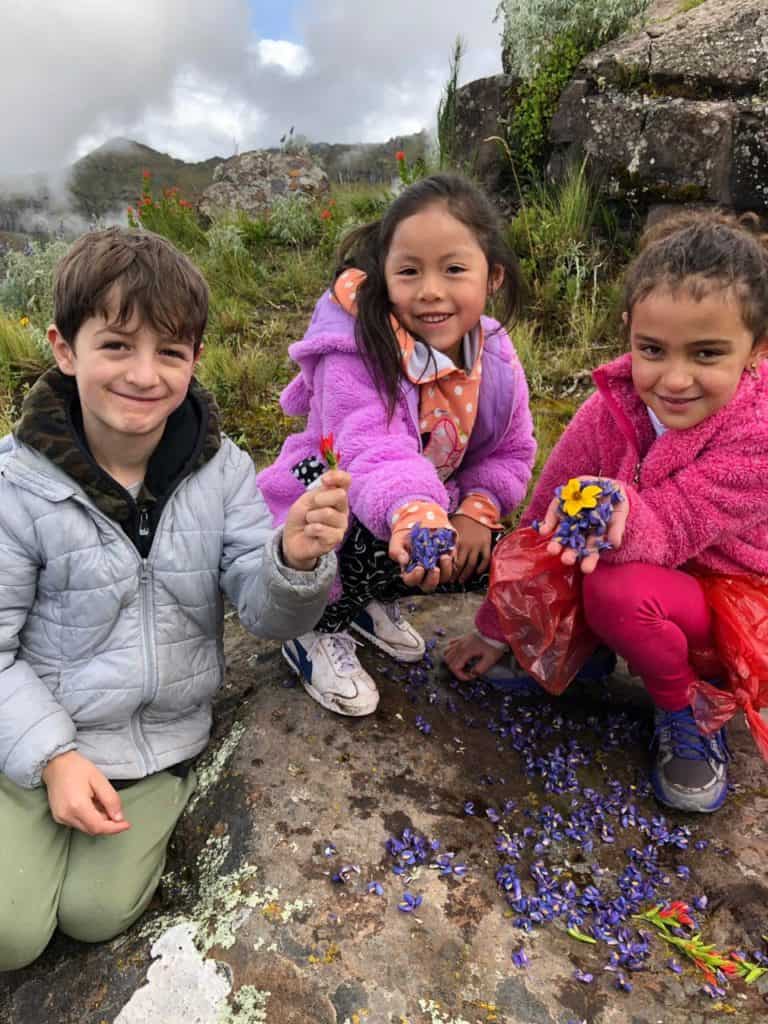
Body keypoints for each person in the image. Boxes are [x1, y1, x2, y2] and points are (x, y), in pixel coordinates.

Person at [0, 227, 350, 971]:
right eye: (118, 345)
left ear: (195, 358)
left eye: (171, 351)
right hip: (35, 743)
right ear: (65, 350)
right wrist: (53, 757)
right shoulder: (16, 486)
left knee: (94, 916)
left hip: (161, 749)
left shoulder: (221, 471)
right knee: (10, 933)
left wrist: (293, 557)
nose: (144, 374)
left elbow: (263, 611)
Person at [447, 211, 768, 814]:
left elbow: (674, 526)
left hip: (734, 607)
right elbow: (543, 510)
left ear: (757, 348)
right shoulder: (609, 409)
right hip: (647, 570)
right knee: (558, 535)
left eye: (706, 353)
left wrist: (617, 512)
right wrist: (497, 628)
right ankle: (586, 653)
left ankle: (689, 710)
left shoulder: (759, 431)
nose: (674, 379)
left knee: (615, 586)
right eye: (653, 349)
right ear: (629, 332)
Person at [258, 173, 536, 717]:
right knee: (350, 521)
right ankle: (316, 628)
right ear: (384, 278)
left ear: (492, 276)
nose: (431, 290)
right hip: (335, 479)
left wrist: (479, 509)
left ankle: (371, 603)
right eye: (409, 272)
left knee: (485, 550)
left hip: (418, 498)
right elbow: (369, 448)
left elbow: (510, 451)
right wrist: (414, 507)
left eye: (454, 269)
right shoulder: (356, 343)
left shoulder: (496, 356)